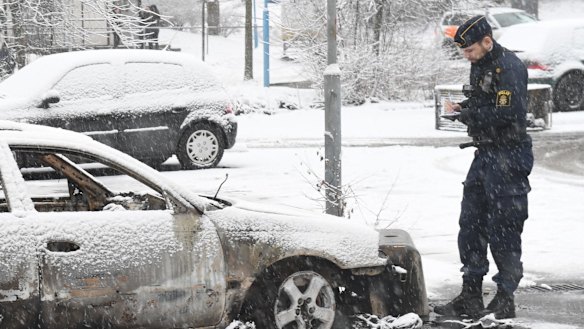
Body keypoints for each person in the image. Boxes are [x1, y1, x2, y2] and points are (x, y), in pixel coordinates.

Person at [433, 15, 533, 320]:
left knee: (504, 227)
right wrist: (466, 108)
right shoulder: (481, 64)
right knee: (471, 223)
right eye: (464, 51)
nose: (467, 56)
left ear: (487, 41)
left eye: (470, 50)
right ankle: (470, 294)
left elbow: (507, 112)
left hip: (509, 155)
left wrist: (469, 116)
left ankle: (505, 297)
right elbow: (484, 101)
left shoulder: (510, 68)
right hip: (485, 154)